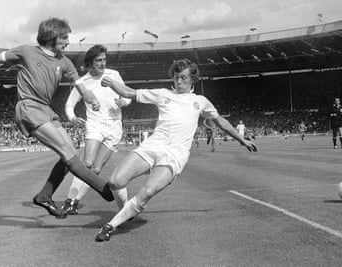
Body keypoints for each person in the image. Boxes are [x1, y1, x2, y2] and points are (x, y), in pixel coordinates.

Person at [0, 18, 114, 219]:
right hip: (29, 108)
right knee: (68, 152)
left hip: (47, 110)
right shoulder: (26, 52)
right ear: (52, 37)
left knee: (70, 152)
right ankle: (105, 189)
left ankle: (45, 195)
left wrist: (90, 98)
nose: (68, 42)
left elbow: (81, 87)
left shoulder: (65, 62)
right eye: (64, 38)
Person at [95, 59, 257, 242]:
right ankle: (125, 211)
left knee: (147, 192)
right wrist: (111, 82)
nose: (179, 82)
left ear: (192, 80)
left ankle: (110, 226)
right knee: (116, 182)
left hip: (175, 155)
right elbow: (129, 92)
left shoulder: (200, 101)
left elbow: (221, 121)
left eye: (183, 78)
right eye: (176, 78)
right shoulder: (162, 94)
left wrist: (242, 139)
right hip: (153, 145)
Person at [60, 44, 131, 215]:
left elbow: (127, 95)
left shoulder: (113, 75)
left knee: (96, 169)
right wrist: (72, 117)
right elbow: (69, 105)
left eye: (104, 59)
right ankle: (70, 200)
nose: (102, 63)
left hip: (114, 126)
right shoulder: (83, 82)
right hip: (94, 125)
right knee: (87, 163)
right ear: (90, 63)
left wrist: (124, 102)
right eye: (98, 60)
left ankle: (74, 202)